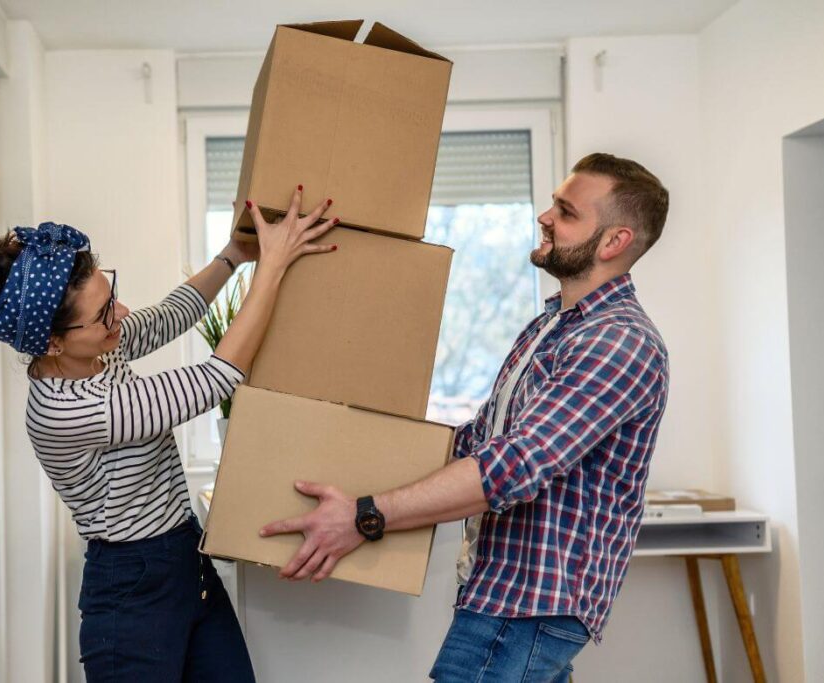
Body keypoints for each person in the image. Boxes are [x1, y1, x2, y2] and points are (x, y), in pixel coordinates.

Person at [260, 154, 671, 682]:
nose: (545, 216)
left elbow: (514, 465)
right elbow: (478, 441)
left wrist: (366, 515)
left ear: (614, 242)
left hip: (530, 603)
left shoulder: (618, 340)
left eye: (566, 212)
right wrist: (351, 443)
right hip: (505, 589)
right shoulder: (553, 327)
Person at [0, 186, 336, 682]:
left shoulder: (101, 349)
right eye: (103, 314)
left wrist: (235, 255)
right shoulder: (67, 409)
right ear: (55, 342)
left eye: (112, 297)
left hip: (186, 559)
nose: (120, 316)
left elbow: (171, 315)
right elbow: (213, 380)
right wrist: (272, 268)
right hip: (132, 590)